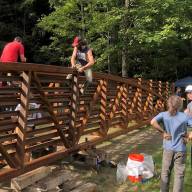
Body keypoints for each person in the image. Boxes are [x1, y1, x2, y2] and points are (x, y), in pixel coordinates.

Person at [150, 95, 188, 192]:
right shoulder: (184, 116)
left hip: (168, 149)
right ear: (179, 105)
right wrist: (189, 136)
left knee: (165, 173)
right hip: (181, 149)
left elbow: (152, 122)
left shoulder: (163, 115)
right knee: (179, 175)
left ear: (168, 104)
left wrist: (163, 132)